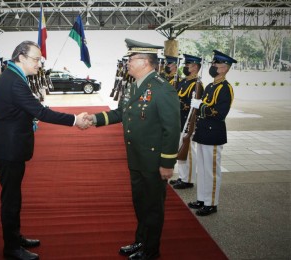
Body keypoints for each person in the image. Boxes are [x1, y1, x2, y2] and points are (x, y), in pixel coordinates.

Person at [0, 40, 90, 260]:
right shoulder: (15, 81)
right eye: (36, 59)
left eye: (40, 60)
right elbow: (40, 112)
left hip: (9, 144)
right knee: (11, 199)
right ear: (21, 57)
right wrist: (74, 120)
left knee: (13, 196)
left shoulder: (12, 77)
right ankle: (11, 248)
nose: (39, 64)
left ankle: (15, 237)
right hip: (9, 147)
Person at [86, 38, 180, 260]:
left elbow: (172, 129)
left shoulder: (162, 89)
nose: (127, 62)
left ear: (146, 62)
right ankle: (141, 241)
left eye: (131, 58)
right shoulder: (133, 86)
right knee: (140, 203)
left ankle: (151, 250)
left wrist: (167, 163)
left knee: (153, 207)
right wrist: (94, 119)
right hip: (136, 157)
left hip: (154, 161)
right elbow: (120, 113)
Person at [188, 50, 236, 216]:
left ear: (224, 68)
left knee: (211, 170)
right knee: (201, 168)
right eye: (213, 63)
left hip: (213, 133)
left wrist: (199, 106)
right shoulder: (210, 85)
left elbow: (219, 112)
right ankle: (202, 198)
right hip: (203, 132)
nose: (213, 66)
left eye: (216, 64)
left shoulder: (225, 88)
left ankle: (212, 203)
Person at [171, 54, 204, 190]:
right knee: (181, 149)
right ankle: (182, 176)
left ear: (195, 67)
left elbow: (193, 107)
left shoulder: (197, 85)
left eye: (187, 65)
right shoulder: (185, 82)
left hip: (187, 121)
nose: (184, 67)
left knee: (188, 151)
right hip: (179, 119)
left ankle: (188, 179)